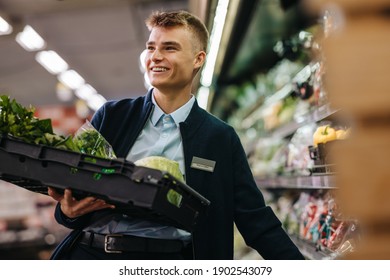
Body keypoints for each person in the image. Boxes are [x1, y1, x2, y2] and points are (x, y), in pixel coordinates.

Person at [48, 10, 305, 260]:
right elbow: (73, 193)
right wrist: (68, 211)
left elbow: (255, 219)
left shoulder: (219, 138)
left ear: (198, 59)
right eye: (151, 48)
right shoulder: (112, 115)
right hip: (94, 255)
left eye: (169, 48)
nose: (155, 56)